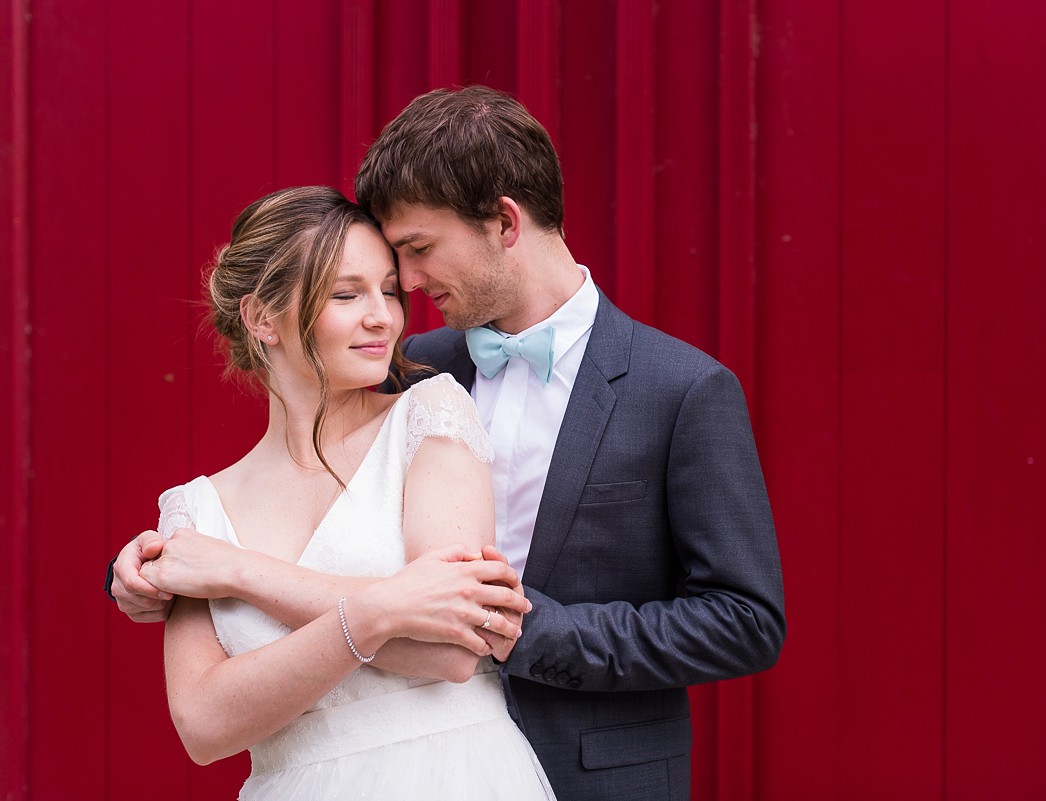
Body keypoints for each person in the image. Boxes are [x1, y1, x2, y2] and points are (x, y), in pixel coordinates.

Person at [111, 85, 786, 800]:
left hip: (591, 771)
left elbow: (745, 620)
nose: (404, 288)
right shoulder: (413, 368)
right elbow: (284, 503)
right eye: (372, 279)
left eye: (417, 250)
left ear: (503, 222)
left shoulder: (681, 388)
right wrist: (148, 568)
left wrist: (526, 631)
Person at [132, 185, 556, 800]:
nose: (383, 316)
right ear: (260, 317)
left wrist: (243, 572)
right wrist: (380, 611)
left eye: (388, 289)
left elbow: (453, 648)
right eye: (346, 294)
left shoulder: (429, 416)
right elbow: (204, 725)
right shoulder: (194, 514)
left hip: (453, 776)